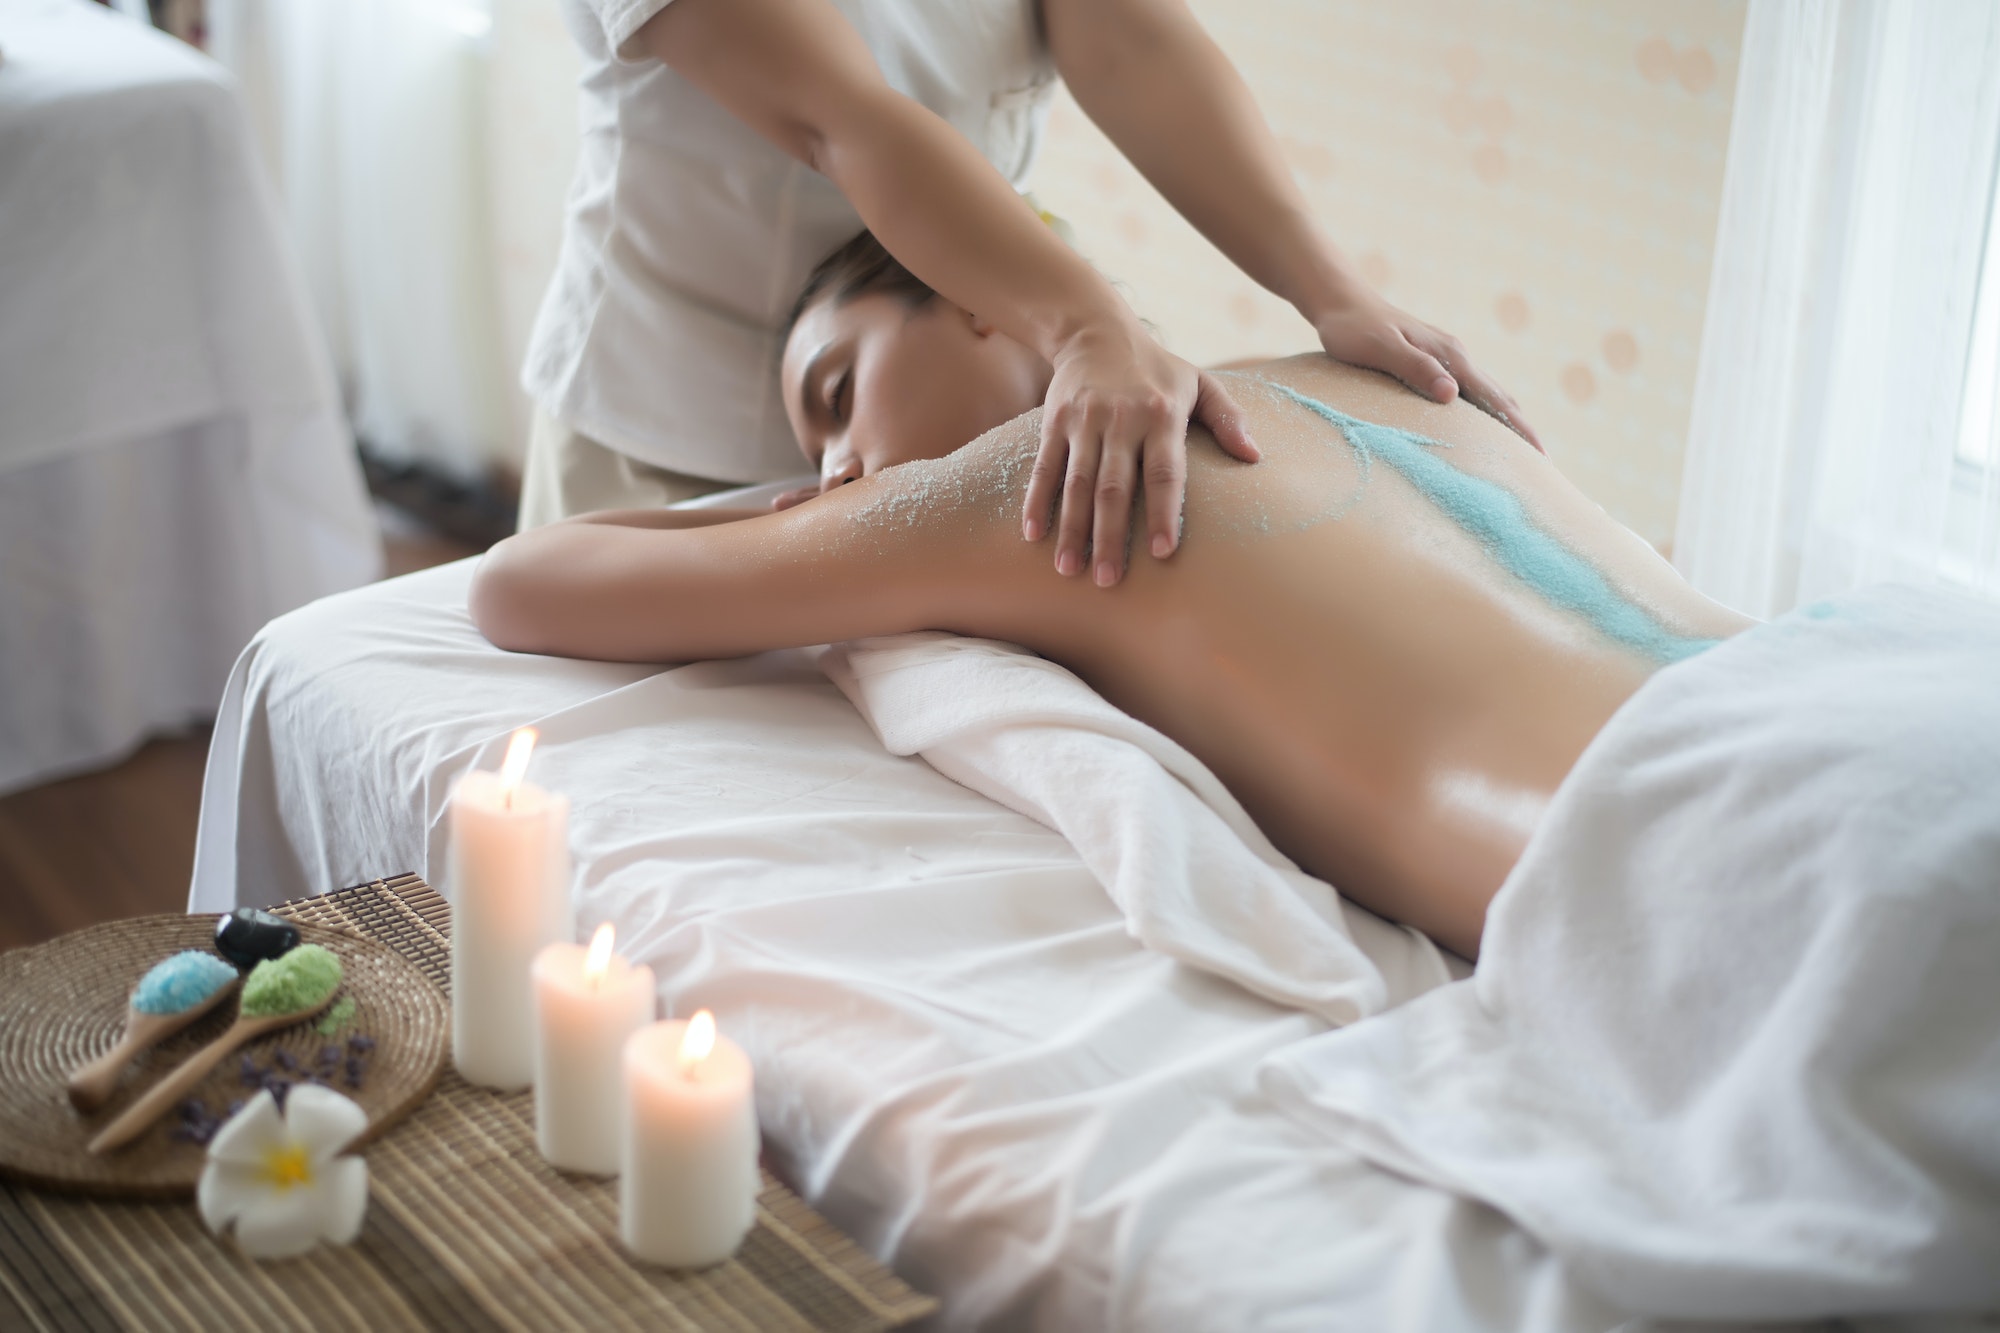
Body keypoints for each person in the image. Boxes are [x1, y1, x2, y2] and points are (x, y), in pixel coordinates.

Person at [475, 235, 1751, 960]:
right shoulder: (1361, 371)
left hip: (1682, 846)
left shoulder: (1025, 489)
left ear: (978, 295)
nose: (833, 470)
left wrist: (784, 522)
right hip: (1825, 680)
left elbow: (520, 586)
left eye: (833, 397)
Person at [520, 0, 1541, 590]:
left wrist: (1328, 290)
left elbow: (1131, 41)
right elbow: (840, 115)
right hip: (664, 422)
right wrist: (1086, 322)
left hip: (943, 416)